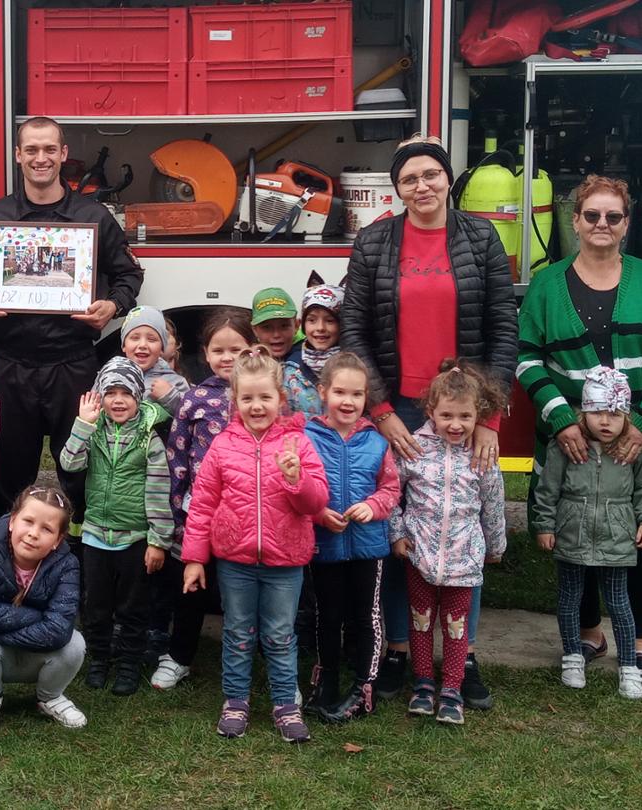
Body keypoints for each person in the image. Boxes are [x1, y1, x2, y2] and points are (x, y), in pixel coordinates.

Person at [339, 134, 516, 710]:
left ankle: (463, 661)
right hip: (404, 410)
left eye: (431, 175)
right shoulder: (372, 242)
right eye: (410, 178)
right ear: (397, 188)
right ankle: (397, 650)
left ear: (448, 180)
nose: (422, 186)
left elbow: (502, 328)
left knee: (462, 525)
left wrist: (489, 415)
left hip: (463, 412)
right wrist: (383, 411)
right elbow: (355, 332)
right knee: (401, 532)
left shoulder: (480, 237)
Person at [516, 174, 642, 682]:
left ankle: (638, 641)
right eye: (591, 215)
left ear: (626, 224)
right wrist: (562, 420)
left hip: (639, 440)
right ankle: (589, 633)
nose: (601, 224)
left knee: (641, 533)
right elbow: (527, 359)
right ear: (575, 221)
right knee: (578, 531)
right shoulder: (548, 285)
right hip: (568, 444)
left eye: (613, 216)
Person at [0, 116, 145, 524]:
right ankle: (8, 559)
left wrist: (113, 306)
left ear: (63, 155)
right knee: (8, 472)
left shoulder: (94, 217)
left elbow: (130, 274)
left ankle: (78, 566)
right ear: (18, 156)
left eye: (49, 150)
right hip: (11, 364)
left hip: (73, 363)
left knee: (79, 471)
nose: (41, 158)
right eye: (32, 150)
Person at [181, 347, 328, 743]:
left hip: (286, 562)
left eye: (265, 397)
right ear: (236, 401)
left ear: (280, 400)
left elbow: (316, 504)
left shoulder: (298, 443)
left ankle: (285, 705)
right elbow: (203, 503)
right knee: (238, 633)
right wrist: (195, 558)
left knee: (280, 635)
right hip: (235, 561)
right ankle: (236, 701)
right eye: (247, 398)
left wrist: (296, 479)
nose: (256, 405)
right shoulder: (223, 446)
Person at [530, 366, 642, 701]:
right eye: (598, 413)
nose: (606, 421)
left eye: (615, 414)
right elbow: (547, 489)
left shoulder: (632, 451)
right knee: (570, 598)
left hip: (617, 539)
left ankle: (629, 666)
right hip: (572, 535)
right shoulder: (566, 448)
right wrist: (544, 525)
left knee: (620, 603)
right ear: (584, 413)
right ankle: (573, 656)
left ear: (627, 416)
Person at [397, 360, 507, 726]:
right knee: (421, 621)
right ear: (431, 411)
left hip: (464, 559)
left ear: (479, 415)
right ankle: (424, 683)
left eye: (465, 416)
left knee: (456, 626)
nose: (455, 425)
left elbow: (493, 504)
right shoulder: (414, 448)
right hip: (420, 555)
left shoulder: (482, 456)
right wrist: (397, 534)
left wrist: (496, 546)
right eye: (446, 415)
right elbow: (392, 494)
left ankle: (452, 689)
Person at [149, 310, 253, 690]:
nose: (228, 358)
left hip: (248, 513)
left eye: (237, 350)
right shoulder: (194, 401)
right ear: (206, 354)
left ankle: (246, 660)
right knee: (191, 587)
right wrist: (178, 509)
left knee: (242, 591)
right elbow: (177, 456)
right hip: (200, 511)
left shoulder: (261, 399)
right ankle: (179, 656)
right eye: (219, 350)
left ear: (252, 350)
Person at [58, 357, 172, 697]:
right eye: (110, 393)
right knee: (96, 606)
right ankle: (99, 659)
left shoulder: (148, 439)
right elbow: (68, 463)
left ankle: (128, 665)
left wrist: (158, 540)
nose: (118, 400)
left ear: (139, 396)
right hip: (95, 535)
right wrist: (83, 425)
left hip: (135, 538)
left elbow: (158, 489)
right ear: (99, 397)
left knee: (133, 609)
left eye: (126, 393)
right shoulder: (93, 433)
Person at [301, 353, 400, 723]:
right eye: (340, 391)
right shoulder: (306, 438)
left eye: (356, 394)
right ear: (323, 392)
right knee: (326, 616)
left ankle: (364, 688)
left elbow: (391, 489)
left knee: (366, 617)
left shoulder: (376, 442)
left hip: (368, 547)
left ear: (365, 398)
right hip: (323, 544)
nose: (348, 401)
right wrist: (317, 514)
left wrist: (373, 506)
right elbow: (297, 488)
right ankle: (325, 680)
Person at [0, 487, 88, 733]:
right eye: (27, 521)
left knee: (74, 645)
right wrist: (36, 617)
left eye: (47, 529)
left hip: (40, 655)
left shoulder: (68, 564)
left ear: (58, 540)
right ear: (12, 521)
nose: (33, 534)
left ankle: (49, 697)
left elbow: (58, 631)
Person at [284, 278, 345, 418]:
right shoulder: (291, 368)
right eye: (312, 320)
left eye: (330, 321)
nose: (320, 328)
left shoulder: (353, 365)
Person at [120, 306, 189, 414]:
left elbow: (190, 415)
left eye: (151, 339)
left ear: (162, 348)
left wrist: (169, 396)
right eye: (135, 338)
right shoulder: (109, 377)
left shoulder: (174, 381)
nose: (143, 345)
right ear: (124, 345)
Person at [250, 287, 300, 362]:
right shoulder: (247, 363)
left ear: (296, 326)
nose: (276, 335)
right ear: (255, 330)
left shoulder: (310, 360)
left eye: (284, 326)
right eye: (267, 327)